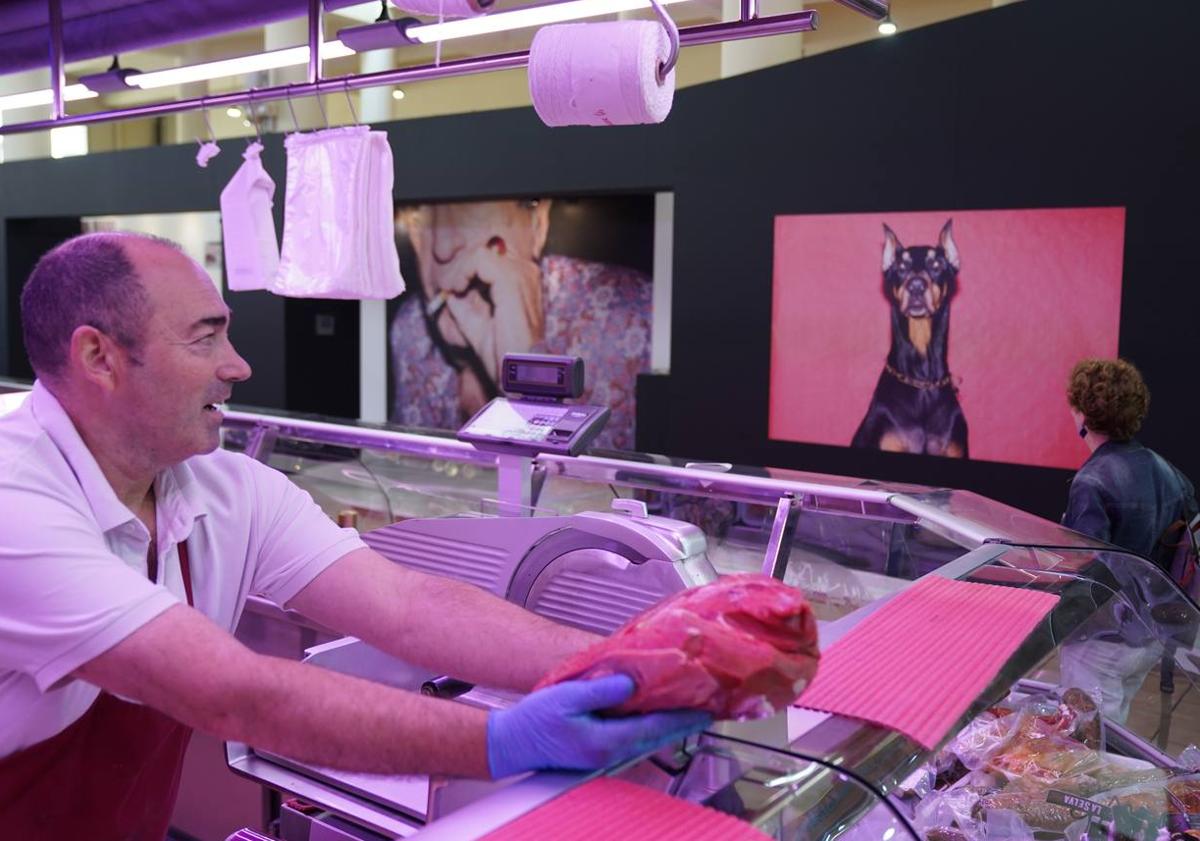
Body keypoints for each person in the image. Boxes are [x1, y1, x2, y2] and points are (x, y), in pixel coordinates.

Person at [0, 232, 707, 840]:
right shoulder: (15, 500)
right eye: (205, 336)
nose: (238, 365)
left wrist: (629, 665)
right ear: (99, 358)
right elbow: (231, 693)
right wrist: (502, 740)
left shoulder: (221, 488)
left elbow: (407, 604)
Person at [390, 199, 652, 451]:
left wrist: (528, 374)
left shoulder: (632, 319)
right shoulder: (411, 327)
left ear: (538, 225)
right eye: (419, 224)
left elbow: (607, 491)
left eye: (475, 208)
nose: (442, 246)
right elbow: (402, 474)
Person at [1059, 358, 1196, 722]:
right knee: (1113, 733)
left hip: (1102, 640)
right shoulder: (1168, 472)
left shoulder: (1091, 483)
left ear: (1082, 414)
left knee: (1085, 749)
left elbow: (1085, 575)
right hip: (1149, 636)